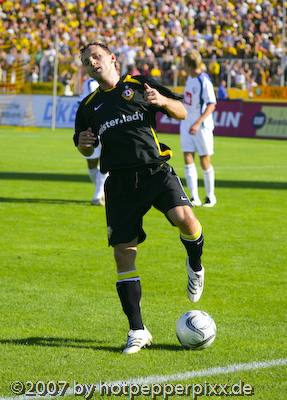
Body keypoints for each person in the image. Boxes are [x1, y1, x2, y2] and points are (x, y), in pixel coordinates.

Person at [74, 42, 206, 354]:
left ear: (111, 59)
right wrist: (83, 142)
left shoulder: (139, 84)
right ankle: (137, 330)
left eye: (96, 56)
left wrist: (161, 99)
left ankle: (195, 264)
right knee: (124, 253)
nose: (91, 63)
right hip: (119, 184)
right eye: (85, 60)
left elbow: (182, 110)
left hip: (155, 171)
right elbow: (85, 148)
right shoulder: (88, 106)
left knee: (187, 220)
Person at [180, 50, 217, 208]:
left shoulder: (204, 81)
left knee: (204, 160)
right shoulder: (190, 78)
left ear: (188, 65)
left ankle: (210, 196)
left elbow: (211, 105)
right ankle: (194, 196)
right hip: (187, 123)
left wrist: (197, 122)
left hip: (201, 126)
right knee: (188, 157)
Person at [77, 76, 107, 206]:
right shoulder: (90, 83)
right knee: (91, 164)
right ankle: (101, 191)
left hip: (107, 127)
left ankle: (97, 197)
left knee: (106, 163)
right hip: (90, 127)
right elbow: (85, 104)